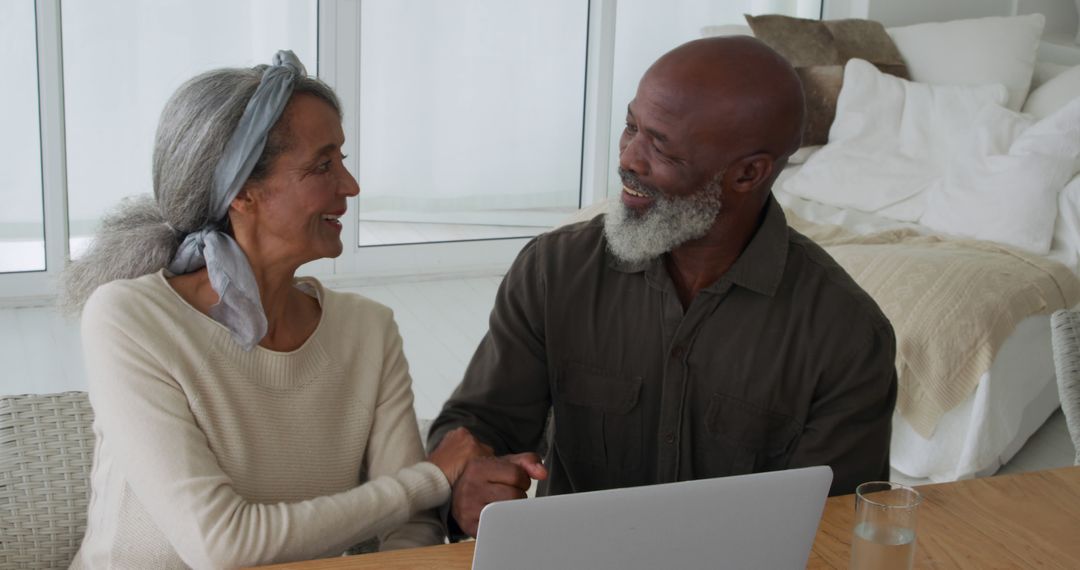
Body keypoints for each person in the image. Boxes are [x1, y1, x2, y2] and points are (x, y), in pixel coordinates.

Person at [428, 36, 899, 537]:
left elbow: (834, 530)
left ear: (747, 174)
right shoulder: (554, 270)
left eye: (661, 146)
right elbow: (478, 426)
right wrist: (470, 480)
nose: (629, 158)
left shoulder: (846, 334)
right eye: (631, 126)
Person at [62, 51, 486, 568]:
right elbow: (222, 545)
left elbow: (411, 524)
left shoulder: (369, 331)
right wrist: (430, 478)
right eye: (322, 166)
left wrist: (416, 500)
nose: (350, 187)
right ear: (242, 191)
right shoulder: (130, 320)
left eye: (343, 161)